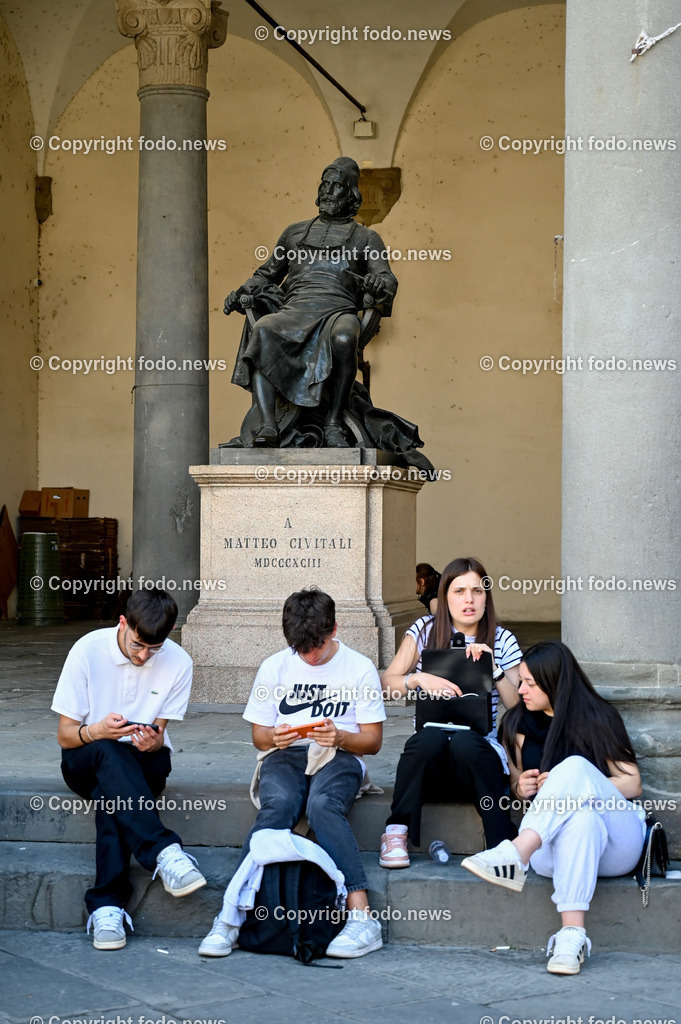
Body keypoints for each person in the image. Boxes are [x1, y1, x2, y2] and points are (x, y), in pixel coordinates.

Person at [199, 588, 386, 959]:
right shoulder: (275, 666)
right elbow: (258, 735)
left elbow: (373, 741)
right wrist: (275, 736)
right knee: (279, 805)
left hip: (339, 754)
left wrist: (341, 736)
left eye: (314, 647)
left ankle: (362, 916)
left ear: (335, 628)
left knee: (323, 805)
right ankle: (230, 915)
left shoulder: (359, 667)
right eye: (300, 650)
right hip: (286, 755)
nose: (308, 656)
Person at [223, 156, 431, 469]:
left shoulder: (366, 238)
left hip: (338, 310)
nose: (329, 191)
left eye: (337, 186)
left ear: (352, 195)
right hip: (294, 309)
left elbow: (386, 278)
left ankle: (334, 422)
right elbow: (265, 275)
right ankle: (268, 425)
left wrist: (378, 281)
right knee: (264, 328)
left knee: (346, 336)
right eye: (326, 184)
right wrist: (242, 291)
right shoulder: (293, 233)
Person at [461, 641, 646, 975]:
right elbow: (518, 786)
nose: (521, 689)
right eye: (521, 680)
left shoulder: (597, 717)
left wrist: (574, 785)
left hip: (616, 845)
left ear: (555, 682)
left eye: (531, 683)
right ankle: (571, 939)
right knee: (581, 819)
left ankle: (515, 854)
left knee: (574, 769)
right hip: (552, 850)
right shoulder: (516, 724)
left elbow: (632, 784)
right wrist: (523, 786)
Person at [51, 588, 206, 950]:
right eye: (138, 644)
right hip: (86, 758)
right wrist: (98, 731)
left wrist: (153, 740)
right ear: (123, 623)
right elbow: (65, 736)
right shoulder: (87, 650)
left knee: (114, 795)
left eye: (154, 648)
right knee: (108, 752)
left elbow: (161, 730)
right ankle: (165, 853)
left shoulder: (179, 662)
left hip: (141, 764)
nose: (144, 656)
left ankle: (107, 906)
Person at [379, 556, 522, 868]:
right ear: (444, 596)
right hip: (429, 764)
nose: (468, 600)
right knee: (427, 739)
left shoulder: (501, 638)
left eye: (477, 591)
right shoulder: (424, 629)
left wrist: (493, 668)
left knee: (466, 741)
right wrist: (416, 678)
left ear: (487, 596)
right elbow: (387, 685)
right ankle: (395, 832)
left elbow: (518, 705)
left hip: (475, 761)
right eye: (459, 591)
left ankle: (501, 842)